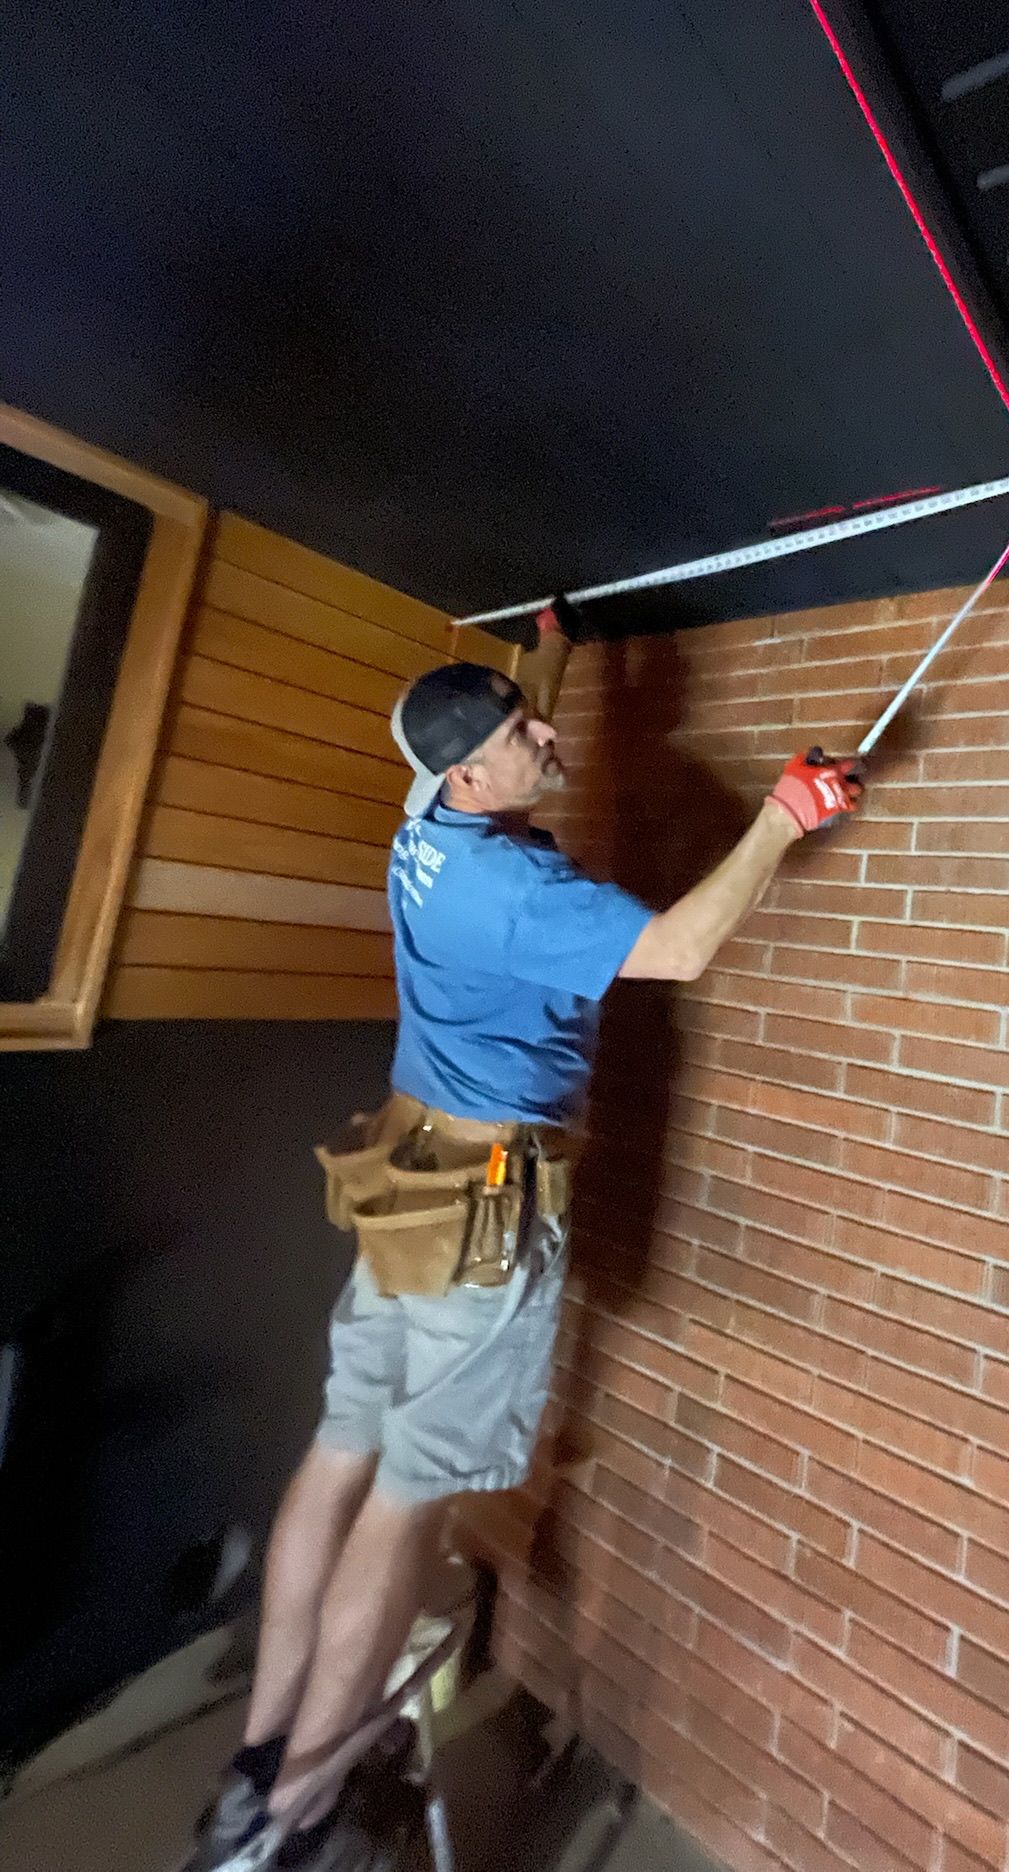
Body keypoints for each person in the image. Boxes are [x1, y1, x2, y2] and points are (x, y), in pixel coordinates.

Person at [186, 604, 865, 1871]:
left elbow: (499, 721)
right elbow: (676, 946)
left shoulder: (426, 827)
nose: (547, 733)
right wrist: (785, 812)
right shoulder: (514, 884)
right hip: (482, 1213)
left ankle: (255, 1766)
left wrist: (543, 647)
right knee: (407, 1499)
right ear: (470, 773)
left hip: (405, 1180)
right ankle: (293, 1827)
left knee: (337, 1457)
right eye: (522, 730)